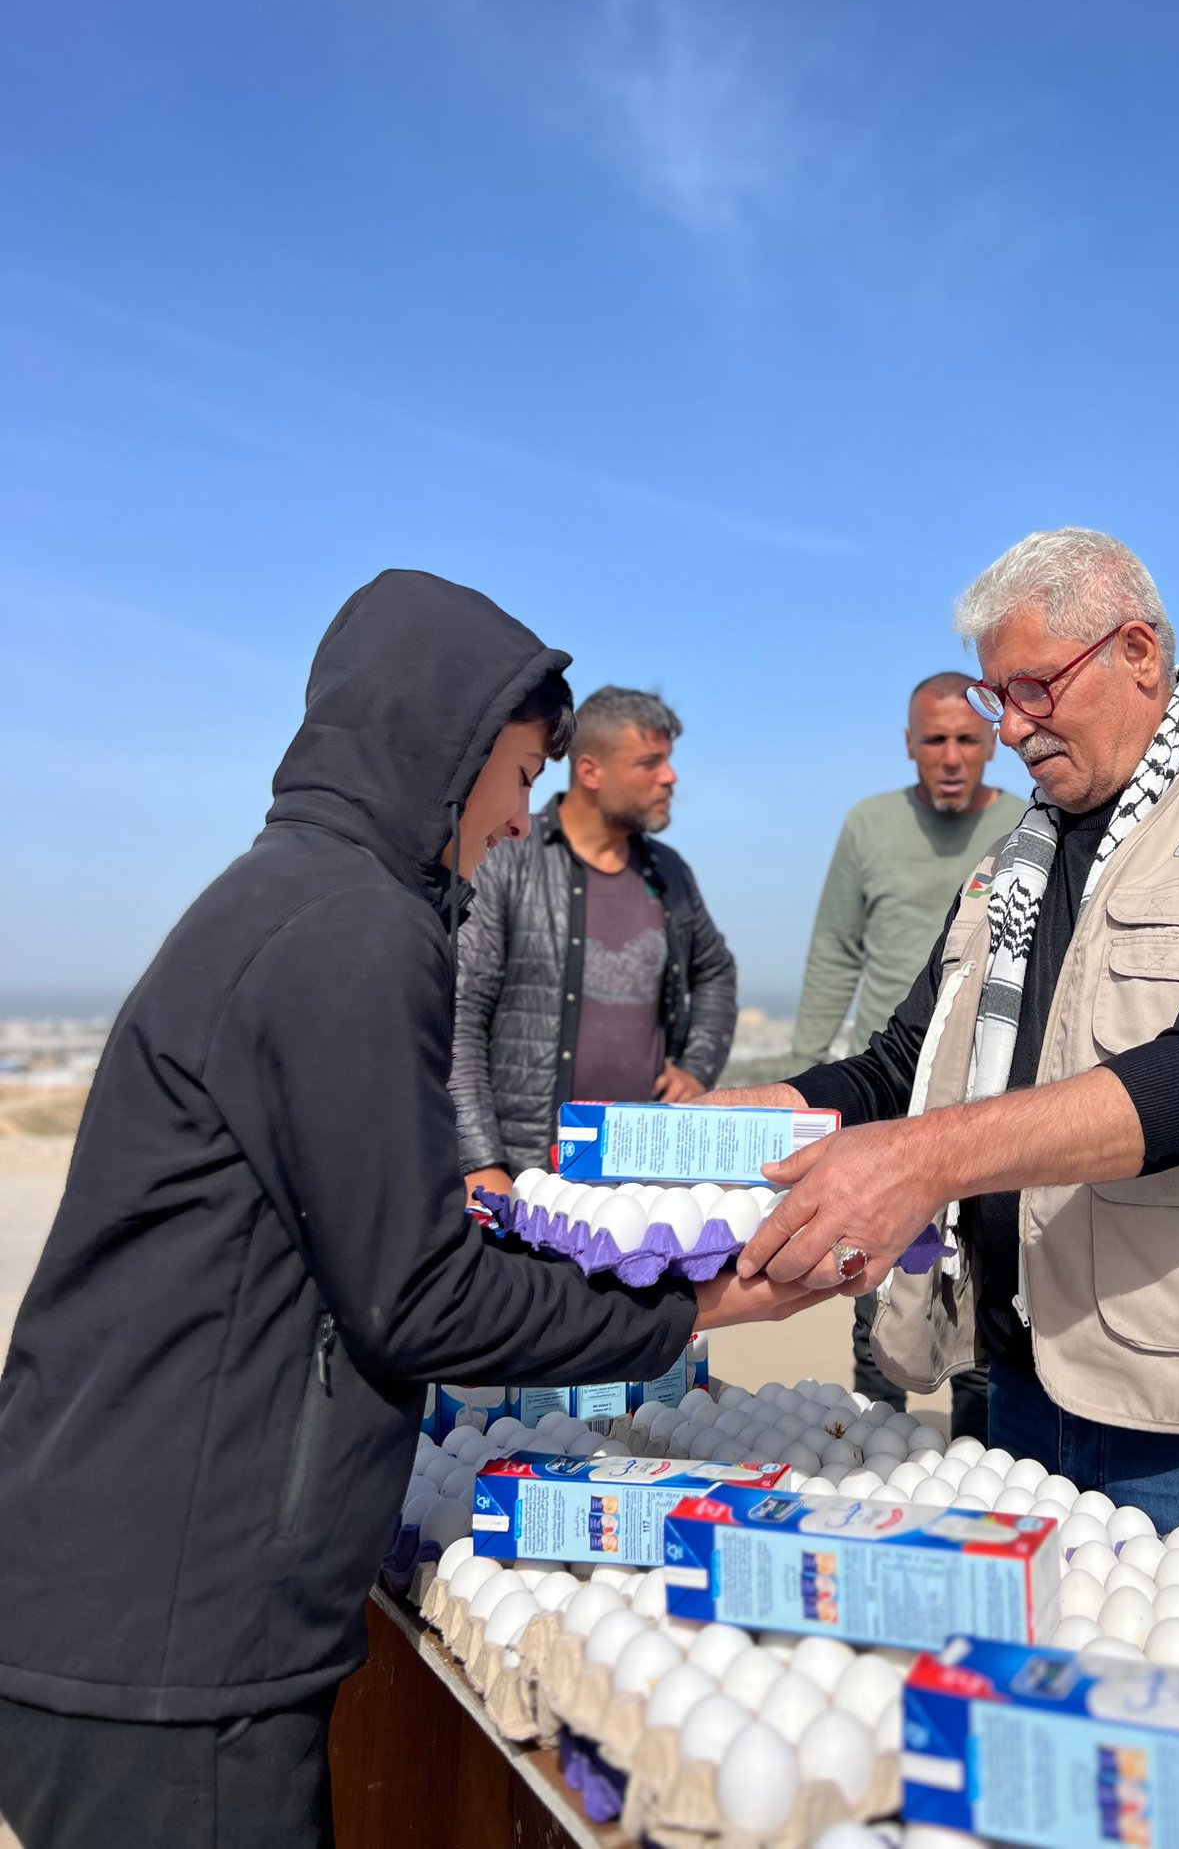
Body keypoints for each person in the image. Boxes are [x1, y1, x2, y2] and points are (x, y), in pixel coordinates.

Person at [0, 573, 821, 1849]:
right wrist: (700, 1301)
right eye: (516, 774)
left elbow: (346, 1244)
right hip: (171, 1633)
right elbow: (417, 1298)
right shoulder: (351, 930)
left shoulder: (291, 898)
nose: (515, 820)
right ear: (445, 750)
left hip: (125, 1600)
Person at [718, 527, 1179, 1583]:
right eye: (998, 699)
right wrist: (750, 1115)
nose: (1012, 729)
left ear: (1137, 653)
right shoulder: (1010, 866)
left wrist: (931, 1158)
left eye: (1033, 687)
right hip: (1012, 1384)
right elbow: (905, 1064)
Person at [791, 673, 1024, 1430]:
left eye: (966, 738)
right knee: (875, 1301)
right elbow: (834, 953)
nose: (952, 756)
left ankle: (983, 1481)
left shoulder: (1029, 825)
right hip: (889, 1096)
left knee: (983, 1317)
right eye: (935, 740)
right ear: (909, 744)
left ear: (993, 740)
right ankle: (861, 1460)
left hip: (991, 1103)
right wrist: (805, 1094)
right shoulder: (869, 824)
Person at [451, 685, 736, 1200]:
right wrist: (481, 1162)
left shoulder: (670, 873)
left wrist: (696, 1069)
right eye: (649, 763)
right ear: (589, 771)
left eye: (667, 762)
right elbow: (461, 1015)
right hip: (527, 1179)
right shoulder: (508, 855)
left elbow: (715, 971)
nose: (669, 778)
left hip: (641, 1182)